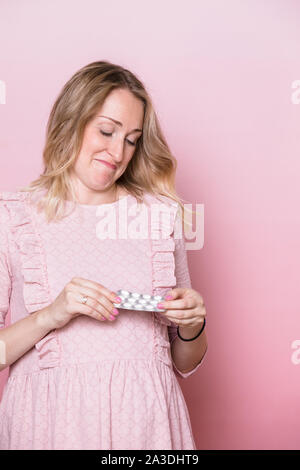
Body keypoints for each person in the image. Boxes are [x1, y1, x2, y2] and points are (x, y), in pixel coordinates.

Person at [0, 61, 207, 450]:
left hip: (146, 425)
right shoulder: (13, 218)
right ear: (71, 120)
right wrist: (50, 315)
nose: (118, 151)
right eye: (107, 131)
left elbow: (183, 361)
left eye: (131, 139)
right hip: (48, 426)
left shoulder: (159, 218)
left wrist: (194, 323)